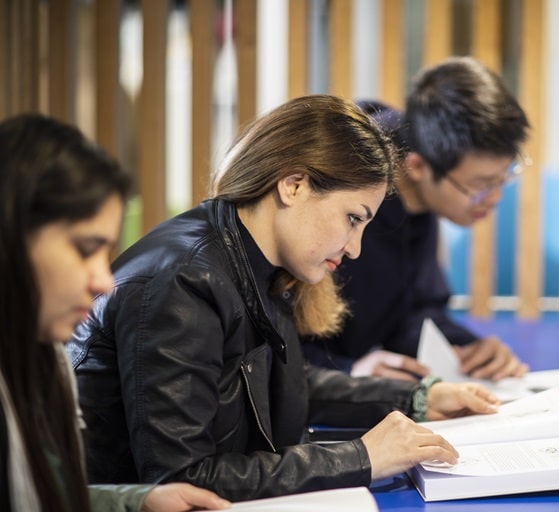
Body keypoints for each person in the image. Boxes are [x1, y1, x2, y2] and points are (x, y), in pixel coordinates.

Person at [66, 95, 501, 501]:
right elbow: (184, 481)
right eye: (352, 219)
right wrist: (362, 457)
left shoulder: (257, 260)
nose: (356, 249)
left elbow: (287, 384)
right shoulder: (185, 279)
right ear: (293, 186)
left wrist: (419, 398)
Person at [0, 114, 231, 511]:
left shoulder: (41, 354)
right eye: (85, 250)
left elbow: (42, 497)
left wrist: (138, 501)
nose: (104, 282)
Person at [301, 56, 531, 382]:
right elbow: (265, 342)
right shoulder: (334, 191)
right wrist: (346, 372)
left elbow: (411, 315)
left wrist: (469, 349)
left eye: (502, 178)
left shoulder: (419, 191)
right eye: (480, 186)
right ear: (417, 167)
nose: (494, 198)